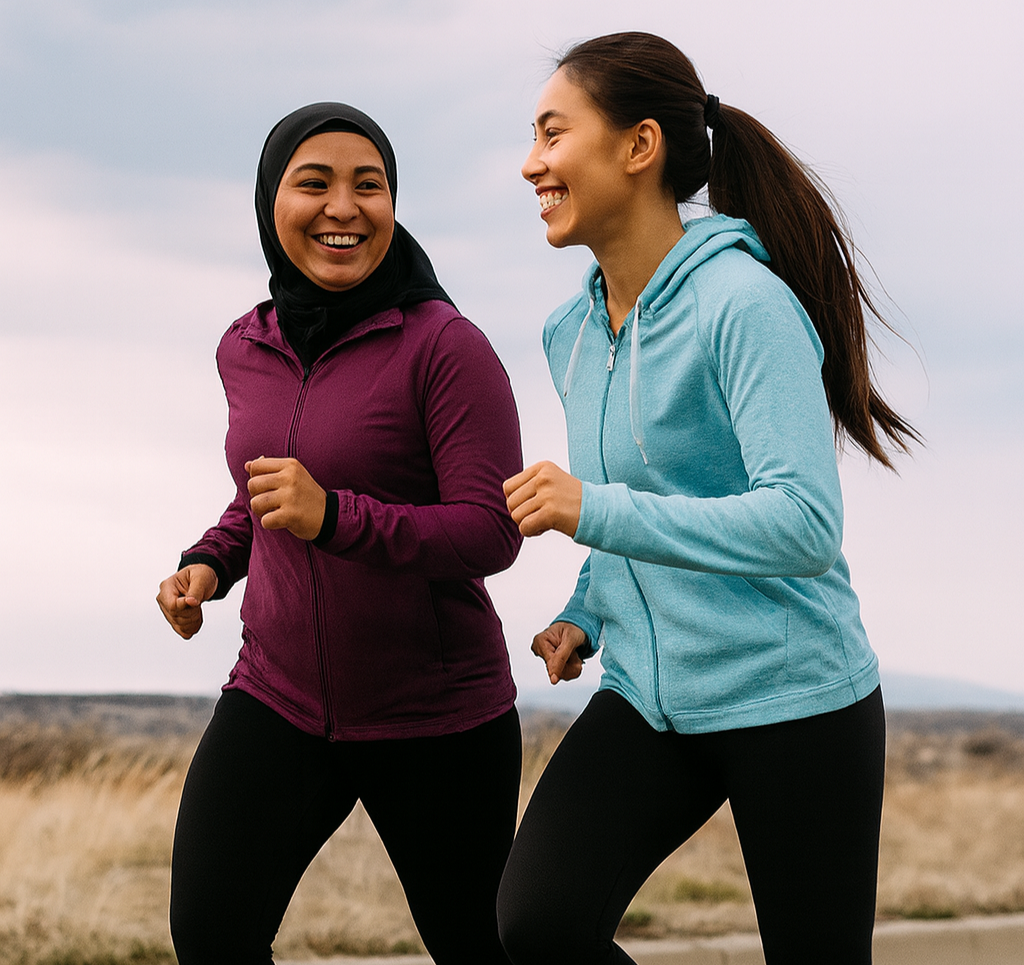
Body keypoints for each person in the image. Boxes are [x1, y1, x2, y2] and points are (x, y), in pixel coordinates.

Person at [497, 32, 919, 965]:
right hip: (650, 695)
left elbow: (803, 522)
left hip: (795, 698)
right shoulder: (570, 328)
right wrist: (587, 606)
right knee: (539, 924)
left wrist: (589, 512)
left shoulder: (745, 304)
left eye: (552, 133)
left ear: (638, 146)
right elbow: (644, 495)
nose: (532, 163)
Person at [155, 102, 523, 965]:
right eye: (313, 183)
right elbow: (264, 492)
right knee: (210, 936)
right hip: (277, 697)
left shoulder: (445, 346)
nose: (343, 208)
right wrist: (210, 561)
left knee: (486, 948)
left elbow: (491, 529)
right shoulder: (244, 346)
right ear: (268, 202)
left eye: (370, 185)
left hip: (435, 715)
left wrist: (338, 518)